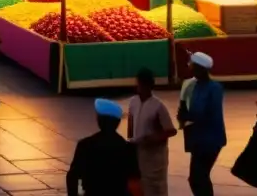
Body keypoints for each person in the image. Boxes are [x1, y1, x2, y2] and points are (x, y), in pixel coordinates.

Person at [66, 98, 140, 196]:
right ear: (117, 123)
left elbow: (73, 178)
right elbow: (134, 184)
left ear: (99, 120)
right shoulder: (128, 148)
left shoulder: (85, 145)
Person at [178, 52, 226, 196]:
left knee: (198, 178)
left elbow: (205, 113)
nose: (189, 68)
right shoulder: (194, 85)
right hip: (198, 139)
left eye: (191, 65)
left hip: (211, 140)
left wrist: (187, 115)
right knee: (197, 178)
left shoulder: (215, 88)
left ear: (199, 68)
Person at [128, 67, 177, 196]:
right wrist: (130, 141)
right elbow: (131, 123)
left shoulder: (158, 106)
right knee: (141, 186)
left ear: (149, 86)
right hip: (138, 152)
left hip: (155, 157)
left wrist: (153, 139)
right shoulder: (133, 102)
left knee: (156, 188)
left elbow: (171, 130)